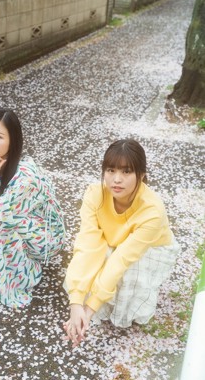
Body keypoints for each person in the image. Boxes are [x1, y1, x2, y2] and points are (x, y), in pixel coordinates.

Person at [64, 139, 180, 347]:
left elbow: (123, 258)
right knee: (98, 257)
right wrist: (76, 301)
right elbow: (88, 246)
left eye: (127, 172)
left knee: (121, 266)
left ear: (141, 175)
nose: (116, 179)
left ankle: (127, 306)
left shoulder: (152, 210)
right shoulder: (94, 195)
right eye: (110, 170)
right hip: (113, 239)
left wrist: (90, 310)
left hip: (150, 249)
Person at [0, 109, 65, 308]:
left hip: (43, 238)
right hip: (10, 221)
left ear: (12, 141)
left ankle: (18, 278)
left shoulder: (25, 176)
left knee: (4, 226)